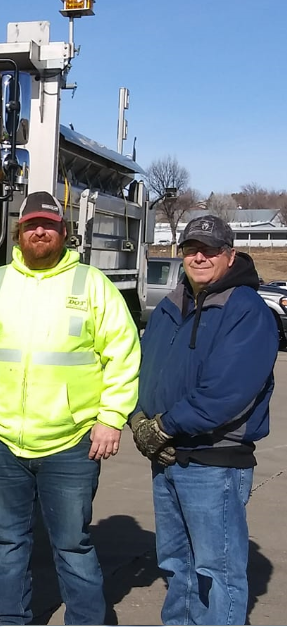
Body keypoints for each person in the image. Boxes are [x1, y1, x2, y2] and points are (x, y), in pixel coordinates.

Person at [0, 191, 141, 625]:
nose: (40, 231)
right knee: (8, 543)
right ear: (18, 232)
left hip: (70, 442)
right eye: (32, 224)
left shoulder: (92, 285)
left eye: (49, 225)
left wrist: (111, 418)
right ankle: (12, 619)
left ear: (64, 232)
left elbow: (123, 354)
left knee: (72, 544)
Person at [131, 215, 277, 625]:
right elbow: (147, 368)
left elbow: (227, 390)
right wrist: (138, 414)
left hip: (214, 462)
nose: (199, 256)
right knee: (177, 563)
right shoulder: (169, 305)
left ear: (229, 256)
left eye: (210, 250)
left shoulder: (246, 310)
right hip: (167, 457)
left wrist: (164, 426)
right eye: (192, 248)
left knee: (218, 571)